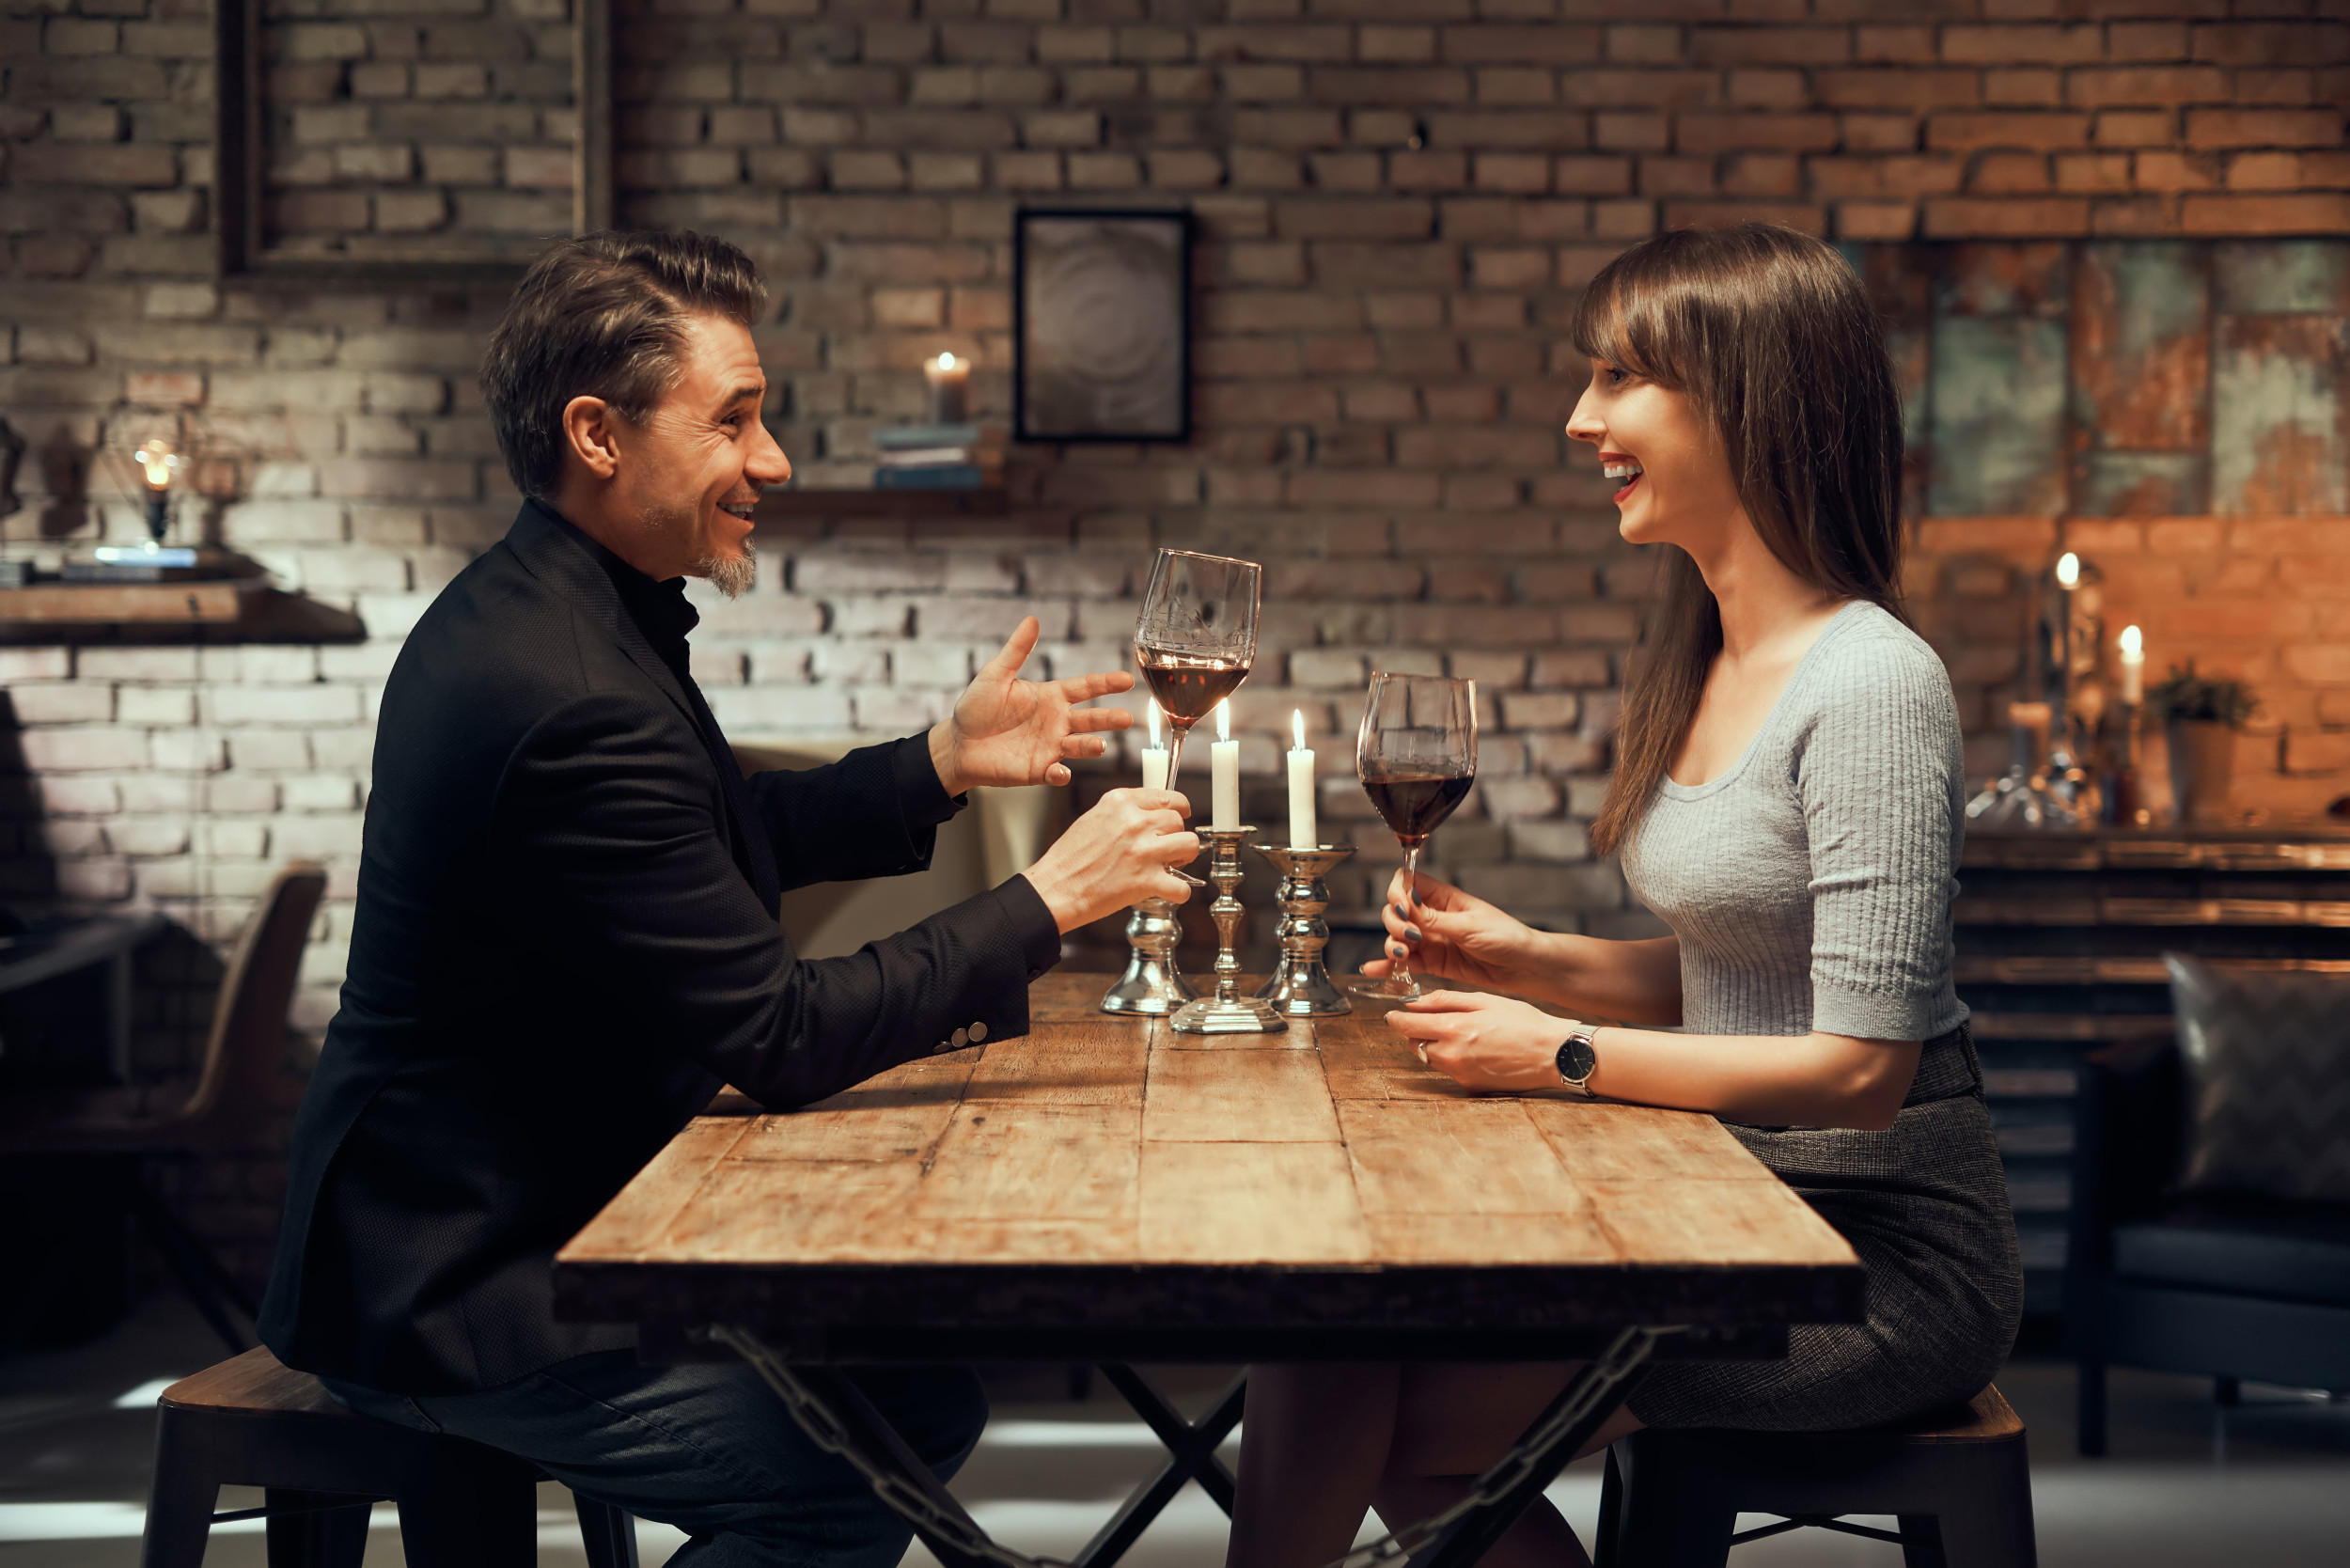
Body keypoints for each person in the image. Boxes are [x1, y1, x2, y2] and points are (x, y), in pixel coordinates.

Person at [258, 229, 1198, 1568]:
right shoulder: (569, 682)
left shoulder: (559, 607)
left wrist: (938, 764)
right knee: (855, 1472)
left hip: (494, 1230)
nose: (774, 462)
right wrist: (1047, 899)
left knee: (918, 1399)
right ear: (597, 433)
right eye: (735, 421)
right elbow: (783, 1034)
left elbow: (704, 841)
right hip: (458, 1285)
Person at [1225, 224, 2024, 1568]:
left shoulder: (1873, 684)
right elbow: (1740, 974)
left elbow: (1863, 1066)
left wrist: (1562, 1055)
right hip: (1720, 1206)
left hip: (1867, 1254)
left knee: (1365, 1403)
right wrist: (1525, 955)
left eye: (1620, 379)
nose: (1578, 415)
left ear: (1749, 397)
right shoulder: (1703, 654)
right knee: (1327, 1354)